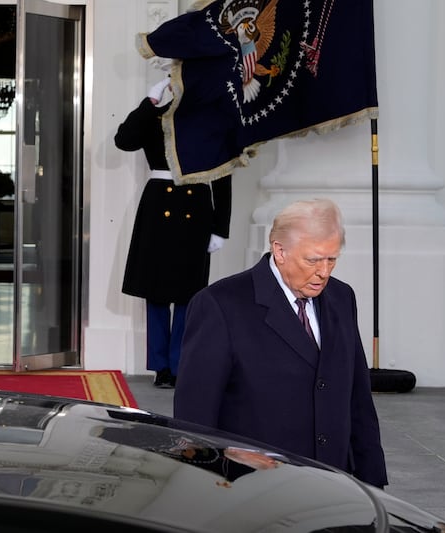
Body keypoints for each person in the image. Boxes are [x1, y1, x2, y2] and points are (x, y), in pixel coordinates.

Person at [174, 198, 388, 488]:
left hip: (336, 483)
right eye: (313, 260)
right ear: (279, 250)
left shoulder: (342, 298)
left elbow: (358, 398)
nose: (324, 272)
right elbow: (194, 415)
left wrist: (373, 484)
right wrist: (206, 481)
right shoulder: (220, 305)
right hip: (255, 490)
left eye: (332, 259)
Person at [114, 76, 232, 388]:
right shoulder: (155, 117)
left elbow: (222, 177)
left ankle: (180, 364)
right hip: (158, 208)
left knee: (187, 295)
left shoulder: (211, 122)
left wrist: (221, 228)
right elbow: (123, 140)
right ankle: (161, 367)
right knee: (155, 293)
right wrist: (149, 103)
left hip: (196, 210)